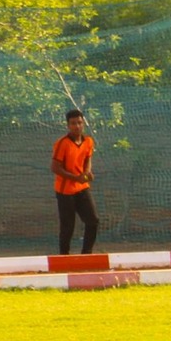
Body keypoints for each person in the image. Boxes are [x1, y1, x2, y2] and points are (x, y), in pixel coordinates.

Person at [53, 108, 100, 255]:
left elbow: (87, 159)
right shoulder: (63, 143)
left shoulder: (88, 141)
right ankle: (64, 256)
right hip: (65, 190)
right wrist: (75, 177)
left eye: (79, 123)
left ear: (83, 123)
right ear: (68, 125)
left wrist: (87, 173)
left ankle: (86, 253)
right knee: (68, 226)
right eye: (73, 123)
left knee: (93, 220)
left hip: (82, 187)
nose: (77, 126)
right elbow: (55, 167)